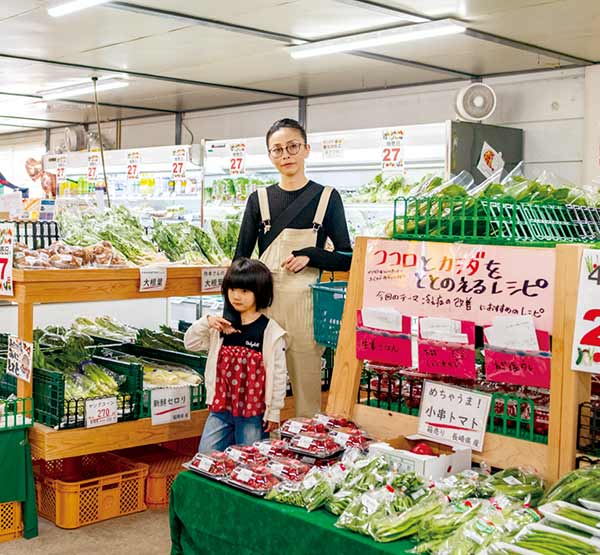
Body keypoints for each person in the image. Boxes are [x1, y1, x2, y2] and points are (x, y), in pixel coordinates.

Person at [231, 118, 352, 418]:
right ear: (270, 156)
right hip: (264, 308)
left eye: (293, 146)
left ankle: (307, 451)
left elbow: (348, 256)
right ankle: (257, 456)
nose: (286, 155)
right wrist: (231, 315)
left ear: (306, 149)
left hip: (306, 310)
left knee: (307, 393)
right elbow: (240, 261)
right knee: (259, 389)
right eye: (277, 149)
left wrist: (312, 255)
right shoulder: (259, 199)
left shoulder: (328, 198)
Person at [184, 258, 287, 452]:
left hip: (253, 413)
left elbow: (279, 375)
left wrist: (274, 411)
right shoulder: (221, 326)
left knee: (248, 463)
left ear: (260, 292)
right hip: (221, 409)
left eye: (244, 291)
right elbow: (190, 343)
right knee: (206, 457)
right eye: (232, 290)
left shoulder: (270, 332)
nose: (236, 296)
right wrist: (206, 322)